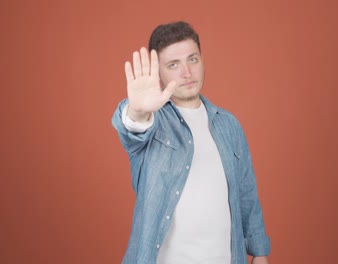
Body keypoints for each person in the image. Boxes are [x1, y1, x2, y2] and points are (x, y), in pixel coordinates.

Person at [112, 21, 270, 264]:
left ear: (202, 60)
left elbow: (247, 195)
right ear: (159, 73)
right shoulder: (152, 123)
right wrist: (137, 111)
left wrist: (260, 253)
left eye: (192, 59)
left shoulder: (229, 125)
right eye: (173, 65)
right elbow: (131, 127)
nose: (186, 73)